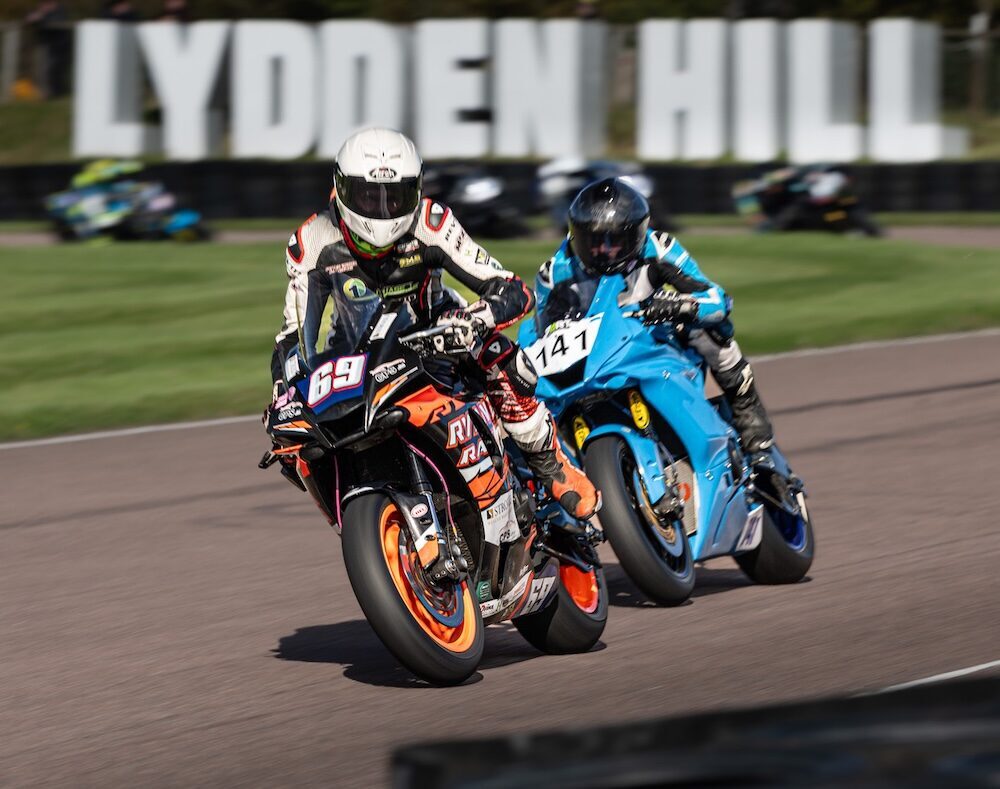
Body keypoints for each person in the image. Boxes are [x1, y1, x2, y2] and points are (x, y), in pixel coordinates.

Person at [269, 127, 599, 521]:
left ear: (418, 189)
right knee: (294, 438)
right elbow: (294, 335)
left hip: (435, 334)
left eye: (396, 196)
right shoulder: (313, 239)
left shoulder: (432, 223)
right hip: (355, 357)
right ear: (340, 188)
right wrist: (284, 388)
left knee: (506, 361)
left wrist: (474, 320)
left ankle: (551, 466)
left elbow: (510, 288)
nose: (382, 209)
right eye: (368, 196)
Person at [535, 177, 777, 470]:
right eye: (595, 241)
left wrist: (679, 306)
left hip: (652, 338)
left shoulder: (659, 247)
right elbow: (542, 332)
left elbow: (717, 298)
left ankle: (750, 420)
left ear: (636, 233)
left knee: (710, 330)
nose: (605, 250)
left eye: (615, 240)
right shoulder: (554, 272)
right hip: (592, 357)